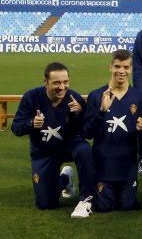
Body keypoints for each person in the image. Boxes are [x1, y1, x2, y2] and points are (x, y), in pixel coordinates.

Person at [12, 62, 95, 218]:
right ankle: (65, 179)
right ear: (46, 82)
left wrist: (80, 113)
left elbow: (86, 131)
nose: (62, 87)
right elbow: (16, 127)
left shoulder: (74, 98)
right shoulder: (31, 97)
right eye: (56, 83)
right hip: (44, 151)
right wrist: (31, 123)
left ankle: (86, 199)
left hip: (70, 146)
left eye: (65, 82)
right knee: (45, 204)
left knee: (84, 150)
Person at [84, 50, 142, 212]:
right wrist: (101, 111)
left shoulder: (140, 97)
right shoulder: (95, 96)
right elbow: (87, 133)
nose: (121, 71)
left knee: (127, 206)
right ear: (110, 67)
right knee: (104, 207)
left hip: (127, 163)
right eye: (117, 66)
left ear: (130, 69)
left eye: (125, 67)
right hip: (103, 162)